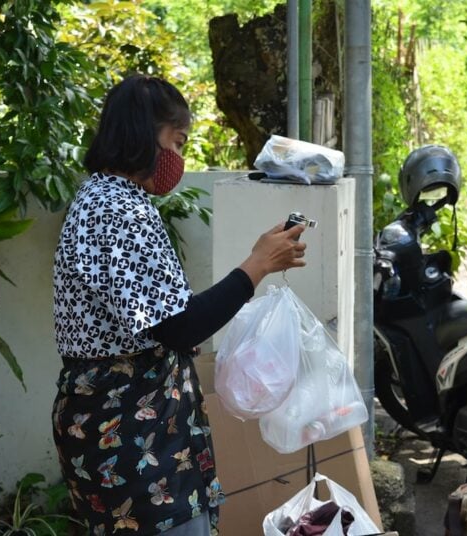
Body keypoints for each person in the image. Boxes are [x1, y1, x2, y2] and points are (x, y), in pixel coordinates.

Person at [51, 75, 307, 535]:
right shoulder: (118, 211)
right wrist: (258, 265)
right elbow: (179, 327)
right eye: (177, 140)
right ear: (142, 134)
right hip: (130, 437)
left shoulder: (103, 199)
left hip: (124, 427)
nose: (178, 158)